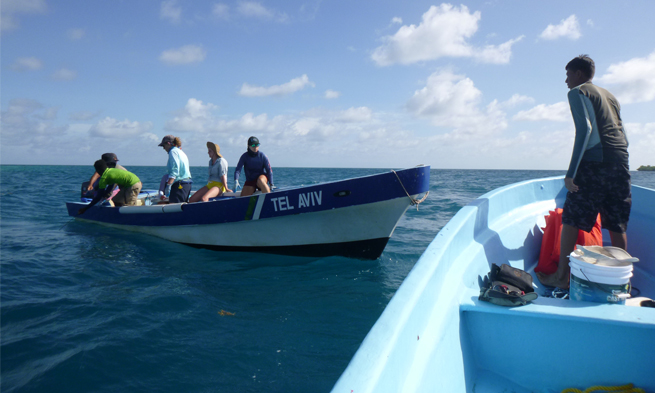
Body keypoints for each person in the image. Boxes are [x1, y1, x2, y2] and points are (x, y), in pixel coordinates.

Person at [536, 55, 631, 289]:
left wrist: (571, 173)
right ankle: (621, 282)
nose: (566, 80)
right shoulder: (611, 97)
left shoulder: (578, 92)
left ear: (578, 74)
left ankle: (562, 278)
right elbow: (623, 134)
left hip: (594, 161)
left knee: (570, 217)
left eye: (568, 74)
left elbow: (584, 131)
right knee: (617, 222)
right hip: (620, 159)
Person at [78, 160, 142, 215]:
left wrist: (86, 208)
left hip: (133, 185)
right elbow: (110, 187)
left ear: (98, 170)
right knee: (115, 200)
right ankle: (116, 216)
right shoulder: (111, 171)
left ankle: (135, 213)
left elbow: (98, 197)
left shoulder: (104, 178)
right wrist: (105, 194)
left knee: (129, 207)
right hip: (128, 185)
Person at [159, 135, 193, 203]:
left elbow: (175, 169)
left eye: (163, 146)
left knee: (174, 207)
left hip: (179, 185)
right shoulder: (180, 152)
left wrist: (169, 185)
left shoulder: (173, 152)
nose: (163, 148)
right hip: (187, 184)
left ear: (168, 143)